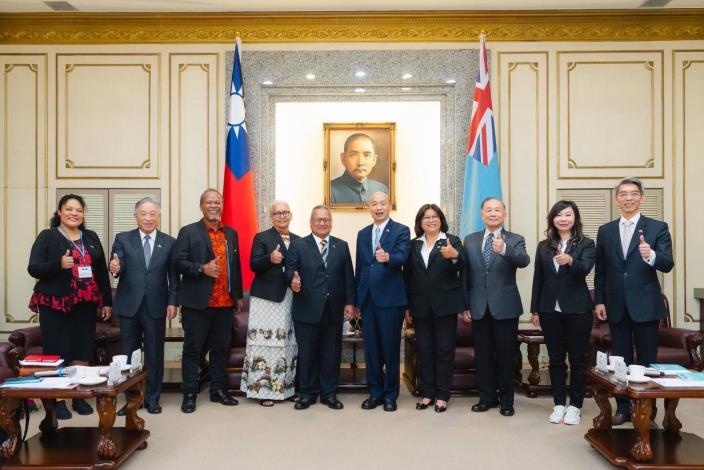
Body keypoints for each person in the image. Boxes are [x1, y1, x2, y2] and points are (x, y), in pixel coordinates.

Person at [594, 177, 674, 426]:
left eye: (633, 194)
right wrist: (600, 301)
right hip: (616, 305)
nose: (629, 198)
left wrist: (651, 255)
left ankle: (648, 412)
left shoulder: (657, 227)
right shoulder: (605, 230)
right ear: (616, 199)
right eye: (624, 194)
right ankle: (624, 409)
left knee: (648, 360)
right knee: (621, 360)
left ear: (641, 197)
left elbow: (667, 263)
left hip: (646, 305)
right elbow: (601, 271)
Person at [27, 194, 112, 420]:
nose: (74, 213)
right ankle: (58, 400)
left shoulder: (91, 237)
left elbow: (101, 271)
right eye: (69, 209)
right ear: (59, 212)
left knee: (81, 349)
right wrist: (58, 264)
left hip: (85, 303)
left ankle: (78, 396)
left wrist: (107, 302)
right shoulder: (48, 236)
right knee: (58, 351)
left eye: (79, 210)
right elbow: (33, 268)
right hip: (56, 302)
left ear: (83, 215)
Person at [171, 189, 243, 413]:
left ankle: (218, 391)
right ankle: (190, 393)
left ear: (222, 206)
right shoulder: (188, 232)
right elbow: (178, 263)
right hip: (197, 304)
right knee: (193, 350)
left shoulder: (231, 233)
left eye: (217, 203)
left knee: (220, 349)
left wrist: (238, 295)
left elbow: (236, 267)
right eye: (209, 202)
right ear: (201, 206)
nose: (214, 206)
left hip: (225, 304)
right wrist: (202, 268)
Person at [109, 197, 179, 415]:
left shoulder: (169, 242)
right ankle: (131, 399)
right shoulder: (123, 239)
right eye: (143, 213)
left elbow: (174, 276)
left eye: (152, 214)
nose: (148, 218)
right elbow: (116, 265)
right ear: (136, 216)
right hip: (129, 305)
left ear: (159, 216)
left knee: (155, 353)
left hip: (157, 305)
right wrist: (114, 268)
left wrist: (172, 301)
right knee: (129, 354)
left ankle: (152, 398)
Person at [529, 200, 595, 425]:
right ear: (552, 219)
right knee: (555, 359)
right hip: (549, 310)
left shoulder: (586, 244)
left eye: (568, 214)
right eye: (559, 215)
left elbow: (584, 269)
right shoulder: (543, 246)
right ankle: (558, 404)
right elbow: (539, 278)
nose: (563, 219)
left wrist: (570, 261)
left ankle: (575, 406)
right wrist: (535, 309)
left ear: (575, 218)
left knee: (577, 360)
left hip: (578, 310)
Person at [462, 197, 530, 417]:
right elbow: (466, 275)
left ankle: (507, 401)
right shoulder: (470, 240)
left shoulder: (515, 239)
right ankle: (486, 398)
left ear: (504, 214)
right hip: (479, 306)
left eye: (497, 210)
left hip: (505, 307)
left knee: (506, 356)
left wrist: (505, 250)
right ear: (482, 214)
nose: (492, 213)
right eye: (488, 210)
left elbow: (524, 260)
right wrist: (465, 305)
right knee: (483, 356)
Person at [284, 205, 355, 410]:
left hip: (334, 310)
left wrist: (350, 303)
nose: (322, 223)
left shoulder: (341, 246)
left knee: (331, 354)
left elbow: (348, 277)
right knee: (307, 354)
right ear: (311, 222)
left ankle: (329, 394)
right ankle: (307, 393)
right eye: (318, 219)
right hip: (306, 310)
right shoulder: (298, 245)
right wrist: (292, 279)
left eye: (326, 219)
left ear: (331, 223)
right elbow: (289, 270)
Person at [403, 204, 467, 413]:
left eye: (434, 216)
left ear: (441, 219)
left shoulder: (452, 240)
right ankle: (427, 393)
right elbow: (408, 277)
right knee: (425, 352)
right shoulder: (413, 245)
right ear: (420, 222)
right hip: (420, 307)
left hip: (445, 306)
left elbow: (464, 264)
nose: (430, 220)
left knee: (444, 352)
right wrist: (407, 306)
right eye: (426, 217)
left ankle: (442, 395)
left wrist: (454, 255)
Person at [355, 191, 411, 412]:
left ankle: (390, 395)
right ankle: (375, 393)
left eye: (383, 203)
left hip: (391, 300)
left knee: (390, 349)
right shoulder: (362, 233)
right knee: (371, 351)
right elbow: (361, 268)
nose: (378, 207)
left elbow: (403, 256)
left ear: (390, 206)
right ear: (369, 207)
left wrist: (389, 258)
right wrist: (357, 300)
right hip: (368, 300)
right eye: (374, 204)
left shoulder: (401, 230)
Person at [241, 201, 300, 407]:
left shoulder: (299, 240)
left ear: (291, 215)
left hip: (290, 299)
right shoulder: (262, 237)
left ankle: (287, 389)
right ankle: (264, 391)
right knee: (266, 344)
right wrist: (270, 258)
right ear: (271, 216)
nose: (281, 216)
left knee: (288, 344)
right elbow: (253, 264)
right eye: (277, 213)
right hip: (266, 300)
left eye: (285, 212)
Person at [330, 133, 389, 204]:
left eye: (367, 155)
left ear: (374, 160)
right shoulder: (330, 190)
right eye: (353, 155)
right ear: (343, 159)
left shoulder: (382, 189)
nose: (360, 162)